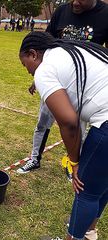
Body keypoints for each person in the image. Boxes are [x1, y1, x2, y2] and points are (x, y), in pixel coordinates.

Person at [19, 31, 108, 240]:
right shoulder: (69, 51)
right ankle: (89, 229)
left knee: (85, 188)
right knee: (103, 180)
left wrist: (75, 161)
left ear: (33, 54)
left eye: (25, 63)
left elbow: (68, 121)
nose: (27, 70)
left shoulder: (45, 70)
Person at [17, 0, 108, 174]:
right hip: (55, 78)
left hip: (84, 89)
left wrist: (74, 161)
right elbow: (44, 43)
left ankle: (73, 164)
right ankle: (35, 159)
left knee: (75, 126)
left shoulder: (105, 14)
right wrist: (40, 78)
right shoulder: (62, 12)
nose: (75, 2)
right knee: (43, 123)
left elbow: (69, 122)